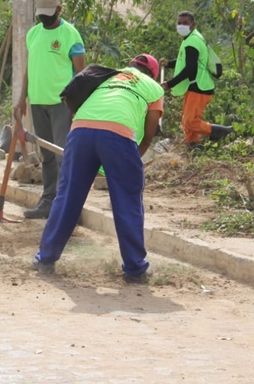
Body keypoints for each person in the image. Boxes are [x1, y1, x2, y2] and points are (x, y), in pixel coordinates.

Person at [32, 55, 164, 283]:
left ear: (129, 66)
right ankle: (135, 269)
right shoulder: (153, 88)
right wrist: (129, 162)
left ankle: (45, 259)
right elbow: (148, 133)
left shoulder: (107, 78)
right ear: (153, 73)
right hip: (118, 136)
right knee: (127, 201)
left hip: (80, 130)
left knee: (67, 198)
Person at [14, 0, 85, 219]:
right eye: (41, 14)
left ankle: (68, 205)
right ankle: (47, 202)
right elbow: (29, 69)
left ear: (59, 10)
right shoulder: (33, 34)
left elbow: (81, 72)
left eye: (49, 14)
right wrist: (22, 98)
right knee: (46, 155)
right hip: (37, 102)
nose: (44, 18)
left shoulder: (70, 34)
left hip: (60, 103)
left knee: (63, 155)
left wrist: (77, 105)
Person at [163, 11, 232, 148]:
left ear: (193, 25)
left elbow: (190, 69)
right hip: (195, 85)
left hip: (199, 86)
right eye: (179, 23)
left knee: (190, 122)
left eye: (185, 23)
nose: (181, 26)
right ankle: (193, 145)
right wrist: (169, 63)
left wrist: (169, 84)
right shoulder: (192, 38)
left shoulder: (192, 40)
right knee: (187, 121)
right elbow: (188, 60)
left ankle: (220, 131)